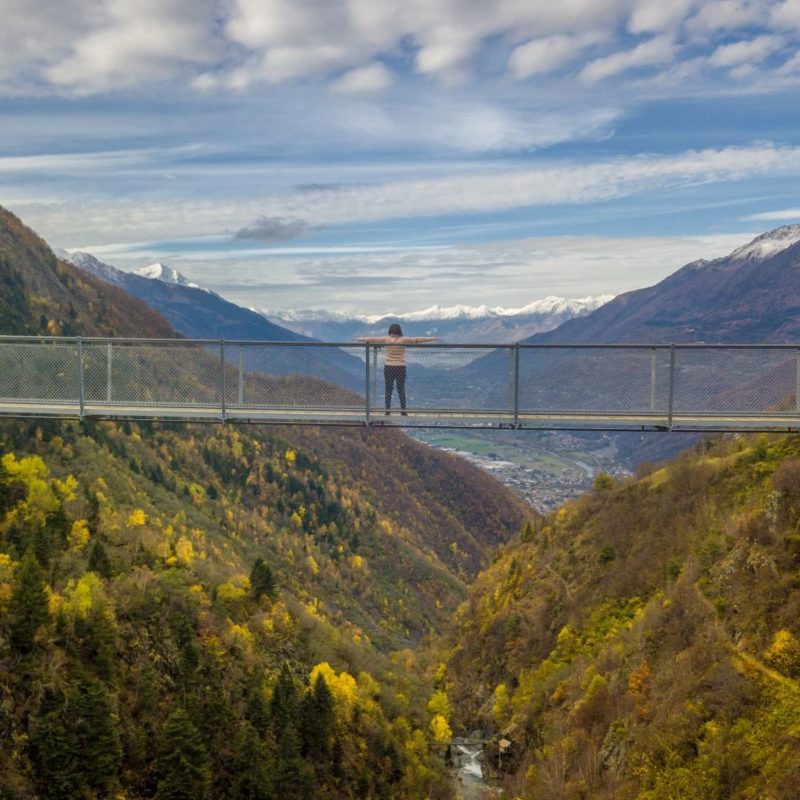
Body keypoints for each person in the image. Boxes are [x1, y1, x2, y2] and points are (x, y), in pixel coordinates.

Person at [357, 324, 436, 415]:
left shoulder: (385, 339)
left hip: (389, 367)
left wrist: (359, 339)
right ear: (399, 331)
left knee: (388, 389)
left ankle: (387, 411)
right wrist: (432, 338)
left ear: (390, 331)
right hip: (400, 367)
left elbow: (371, 339)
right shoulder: (404, 340)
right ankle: (403, 410)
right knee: (401, 389)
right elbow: (417, 340)